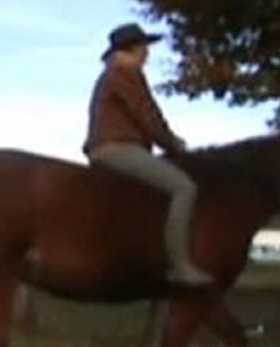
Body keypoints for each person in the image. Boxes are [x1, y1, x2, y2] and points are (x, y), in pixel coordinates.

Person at [83, 22, 214, 287]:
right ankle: (180, 266)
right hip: (118, 147)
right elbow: (147, 116)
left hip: (114, 146)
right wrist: (174, 145)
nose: (147, 53)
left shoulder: (113, 73)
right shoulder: (125, 73)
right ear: (132, 49)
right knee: (183, 188)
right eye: (144, 47)